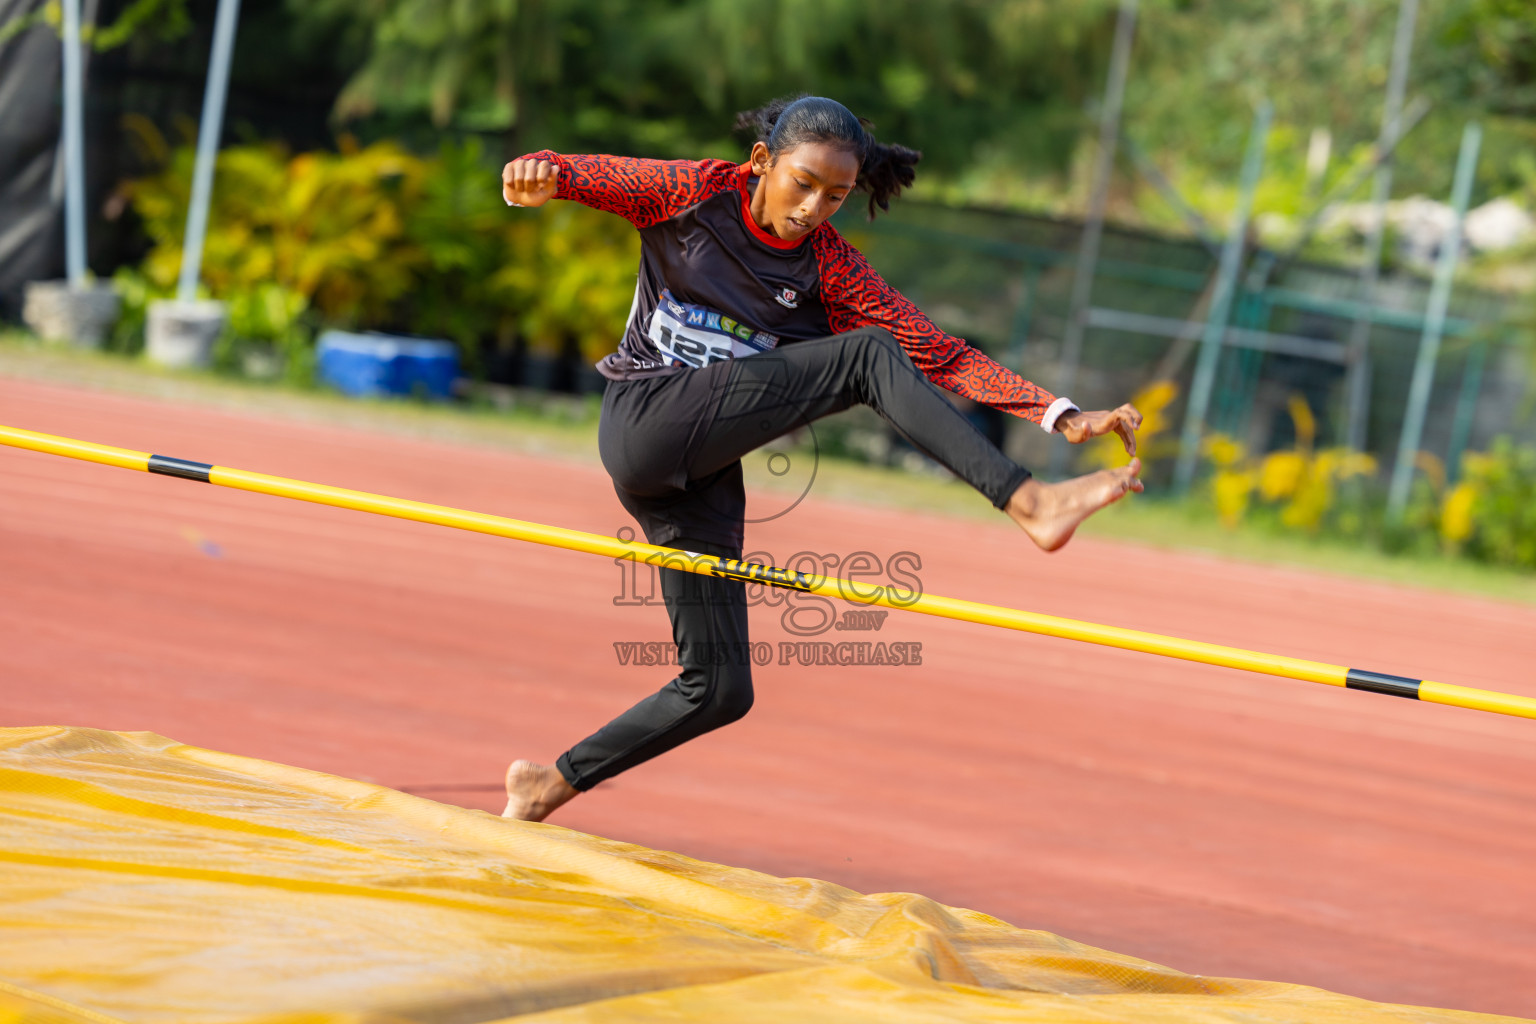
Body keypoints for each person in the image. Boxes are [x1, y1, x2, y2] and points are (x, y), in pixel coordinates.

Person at [498, 95, 1143, 822]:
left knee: (718, 689)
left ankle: (547, 784)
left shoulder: (831, 269)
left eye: (836, 196)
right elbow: (589, 174)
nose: (814, 208)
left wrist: (1058, 414)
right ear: (762, 164)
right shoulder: (692, 193)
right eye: (802, 184)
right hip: (646, 423)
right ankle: (1030, 503)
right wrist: (539, 172)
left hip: (700, 469)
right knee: (865, 356)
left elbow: (941, 353)